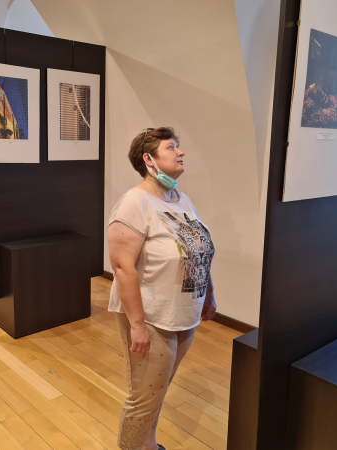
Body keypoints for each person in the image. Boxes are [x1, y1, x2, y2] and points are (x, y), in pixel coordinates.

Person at [108, 127, 216, 450]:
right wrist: (137, 325)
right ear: (149, 159)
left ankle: (149, 445)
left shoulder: (182, 200)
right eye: (171, 147)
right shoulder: (134, 203)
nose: (180, 152)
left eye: (178, 147)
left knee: (158, 391)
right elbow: (122, 267)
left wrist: (208, 293)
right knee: (143, 398)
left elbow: (198, 250)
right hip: (151, 316)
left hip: (183, 313)